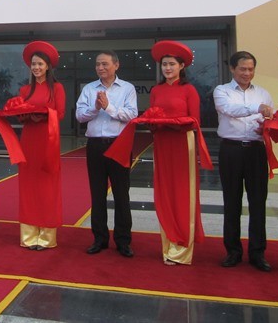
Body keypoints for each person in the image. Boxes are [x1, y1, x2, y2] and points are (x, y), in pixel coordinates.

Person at [148, 41, 209, 266]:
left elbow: (195, 121)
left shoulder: (189, 90)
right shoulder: (156, 90)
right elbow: (152, 117)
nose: (167, 68)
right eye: (164, 64)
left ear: (182, 66)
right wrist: (154, 123)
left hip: (183, 144)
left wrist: (174, 123)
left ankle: (182, 249)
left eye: (172, 64)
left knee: (183, 193)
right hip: (162, 143)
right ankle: (168, 244)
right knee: (164, 192)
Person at [214, 51, 274, 272]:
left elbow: (269, 117)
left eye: (250, 69)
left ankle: (258, 253)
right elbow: (228, 110)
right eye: (242, 69)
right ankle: (233, 251)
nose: (247, 73)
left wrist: (267, 122)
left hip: (256, 151)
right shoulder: (222, 91)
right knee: (232, 202)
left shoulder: (264, 93)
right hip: (231, 150)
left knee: (258, 203)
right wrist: (256, 109)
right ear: (232, 69)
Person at [76, 50, 138, 258]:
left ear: (116, 65)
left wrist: (109, 107)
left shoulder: (127, 89)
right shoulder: (89, 89)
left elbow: (131, 115)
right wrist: (95, 107)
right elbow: (80, 116)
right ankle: (99, 238)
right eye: (97, 65)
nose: (100, 68)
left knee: (122, 194)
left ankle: (123, 240)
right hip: (95, 145)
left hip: (119, 144)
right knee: (97, 193)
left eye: (104, 64)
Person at [14, 41, 66, 250]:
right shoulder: (24, 89)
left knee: (47, 186)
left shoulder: (57, 88)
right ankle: (28, 235)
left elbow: (60, 114)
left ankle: (46, 236)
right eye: (33, 64)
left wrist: (42, 113)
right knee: (28, 186)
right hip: (28, 141)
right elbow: (19, 115)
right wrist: (24, 114)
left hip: (48, 141)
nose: (36, 67)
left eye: (40, 64)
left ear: (48, 66)